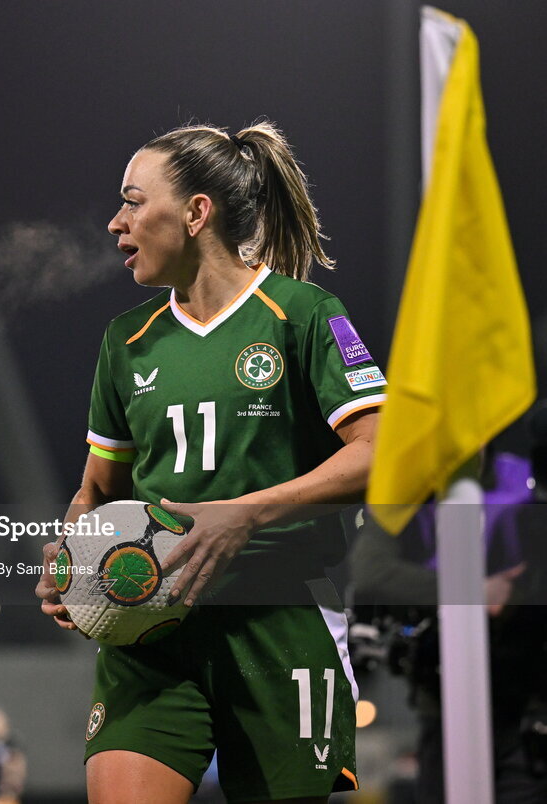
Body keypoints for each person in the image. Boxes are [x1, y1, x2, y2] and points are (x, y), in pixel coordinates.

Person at [35, 122, 386, 803]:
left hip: (279, 621)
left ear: (197, 212)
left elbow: (378, 450)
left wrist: (243, 515)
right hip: (148, 629)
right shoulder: (126, 341)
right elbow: (96, 490)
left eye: (134, 201)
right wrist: (70, 557)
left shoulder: (301, 314)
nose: (116, 222)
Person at [350, 449, 547, 803]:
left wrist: (518, 590)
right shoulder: (405, 490)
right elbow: (370, 573)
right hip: (442, 695)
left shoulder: (525, 480)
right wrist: (475, 590)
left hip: (526, 696)